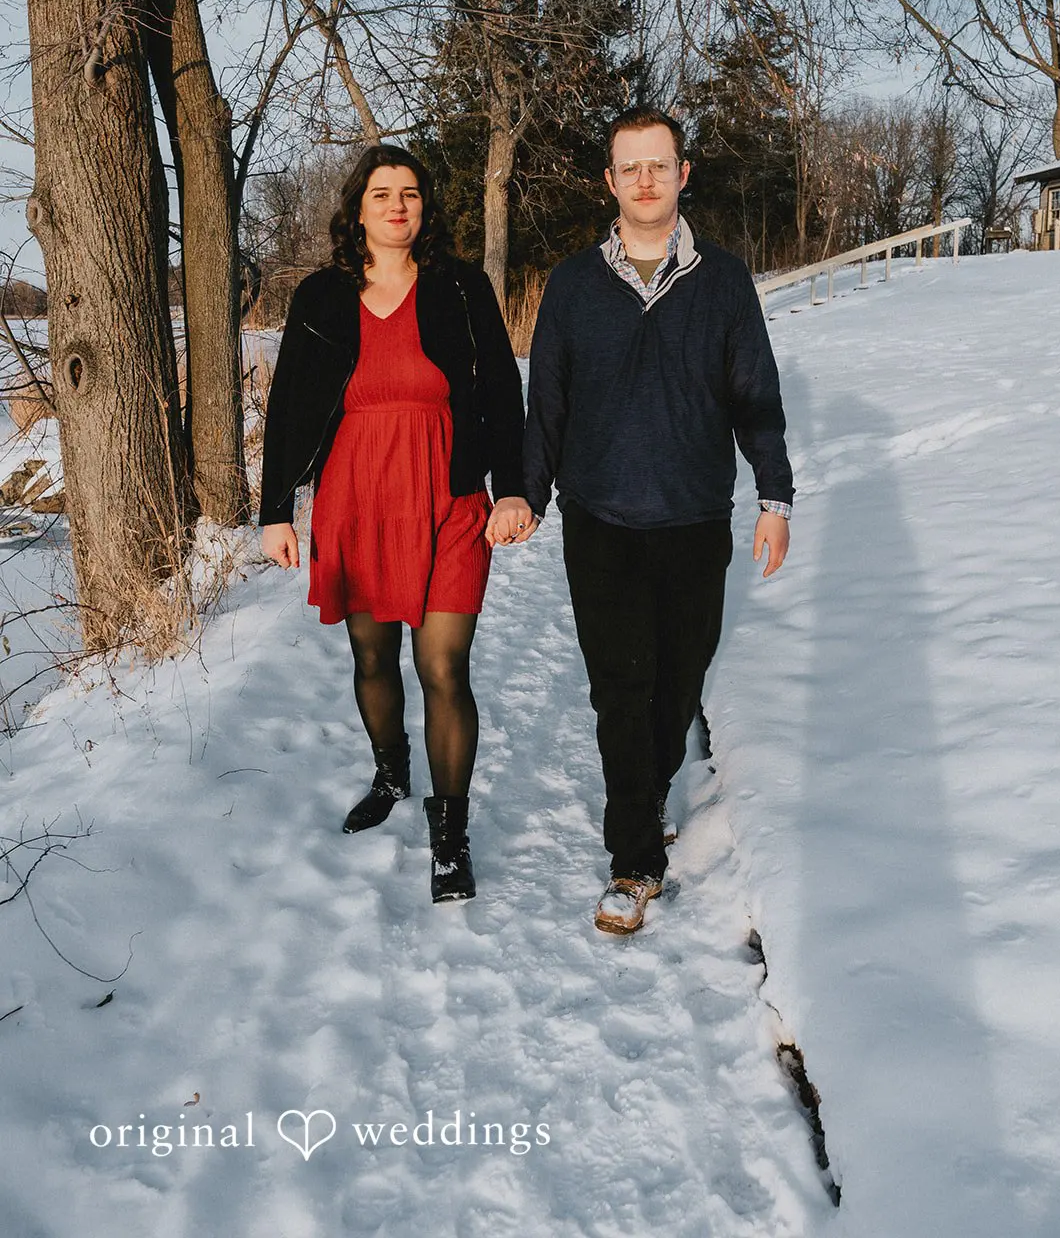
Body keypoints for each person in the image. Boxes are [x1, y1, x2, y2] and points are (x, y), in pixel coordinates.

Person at [523, 106, 793, 935]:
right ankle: (634, 860)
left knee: (676, 685)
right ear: (608, 181)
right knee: (620, 692)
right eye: (628, 167)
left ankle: (642, 797)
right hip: (600, 522)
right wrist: (526, 496)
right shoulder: (571, 284)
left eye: (659, 164)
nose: (644, 180)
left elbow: (756, 400)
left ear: (684, 173)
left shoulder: (723, 280)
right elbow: (547, 406)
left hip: (692, 520)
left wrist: (774, 497)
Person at [259, 145, 535, 903]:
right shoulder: (319, 295)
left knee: (444, 666)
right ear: (357, 208)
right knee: (374, 658)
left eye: (410, 193)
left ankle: (450, 839)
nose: (397, 206)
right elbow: (288, 404)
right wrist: (274, 510)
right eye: (381, 193)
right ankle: (390, 772)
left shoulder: (459, 285)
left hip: (447, 492)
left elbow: (502, 391)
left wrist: (510, 489)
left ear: (425, 207)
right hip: (356, 494)